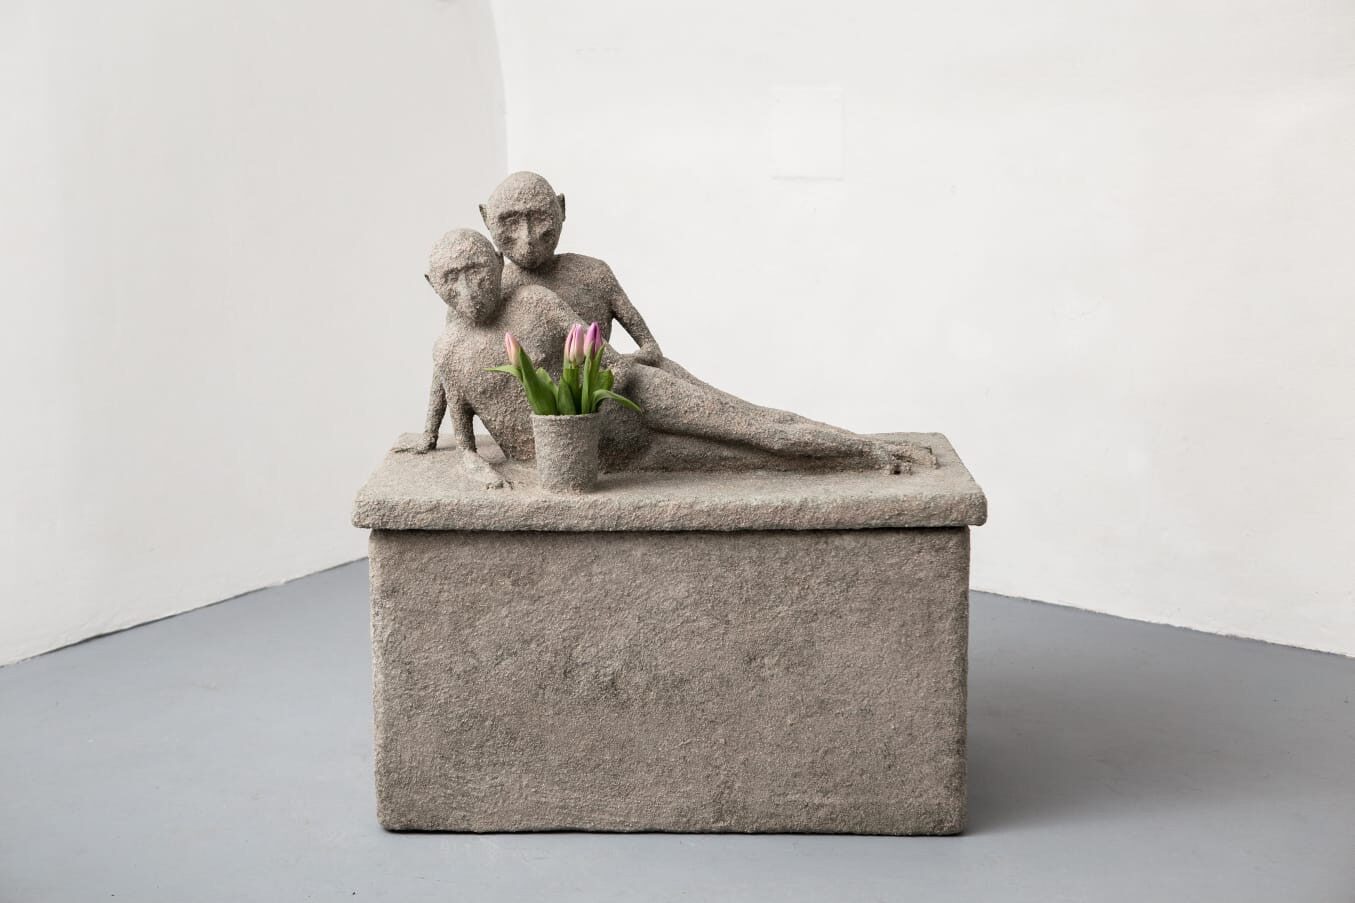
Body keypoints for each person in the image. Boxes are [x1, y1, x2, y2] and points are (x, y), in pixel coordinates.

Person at [418, 230, 932, 486]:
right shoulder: (448, 351)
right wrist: (477, 469)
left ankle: (870, 450)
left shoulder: (533, 301)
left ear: (497, 263)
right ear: (433, 286)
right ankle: (858, 459)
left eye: (477, 271)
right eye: (451, 279)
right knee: (751, 461)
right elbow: (465, 444)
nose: (469, 288)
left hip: (630, 399)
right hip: (606, 458)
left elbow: (608, 357)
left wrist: (611, 376)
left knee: (753, 426)